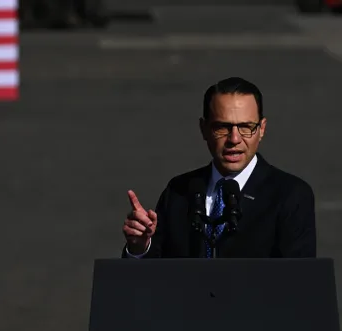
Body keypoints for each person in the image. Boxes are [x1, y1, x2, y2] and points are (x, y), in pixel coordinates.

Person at [121, 77, 316, 258]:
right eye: (222, 127)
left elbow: (299, 282)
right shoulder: (179, 191)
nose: (234, 139)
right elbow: (150, 278)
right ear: (204, 129)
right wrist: (139, 247)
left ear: (262, 129)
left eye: (246, 127)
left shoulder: (290, 195)